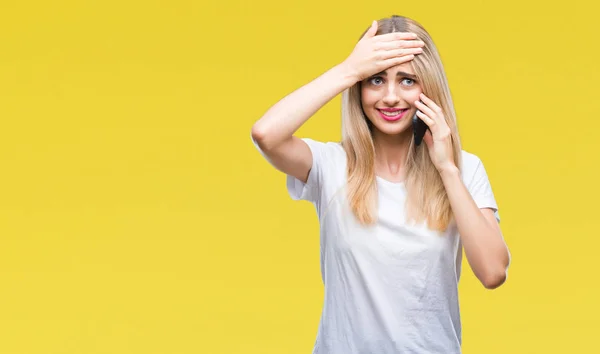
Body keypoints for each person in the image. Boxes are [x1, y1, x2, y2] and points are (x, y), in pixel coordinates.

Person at [250, 14, 510, 354]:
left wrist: (446, 168)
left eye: (407, 81)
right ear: (358, 88)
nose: (390, 97)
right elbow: (266, 134)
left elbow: (493, 271)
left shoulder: (464, 169)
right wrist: (348, 70)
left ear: (428, 89)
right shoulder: (332, 166)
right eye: (375, 80)